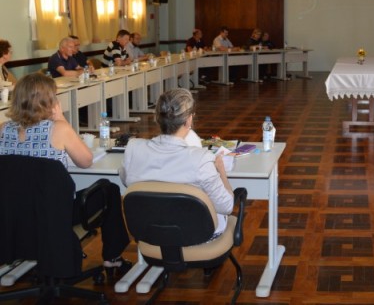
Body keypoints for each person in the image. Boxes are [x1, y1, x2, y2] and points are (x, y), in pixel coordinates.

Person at [0, 74, 131, 274]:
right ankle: (113, 258)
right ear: (49, 101)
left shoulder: (2, 130)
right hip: (55, 213)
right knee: (110, 189)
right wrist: (60, 118)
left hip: (13, 215)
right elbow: (86, 161)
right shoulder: (57, 129)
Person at [120, 89, 234, 238]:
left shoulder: (133, 148)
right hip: (198, 235)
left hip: (151, 234)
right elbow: (227, 206)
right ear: (189, 120)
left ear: (157, 118)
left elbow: (126, 181)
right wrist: (221, 171)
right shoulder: (202, 159)